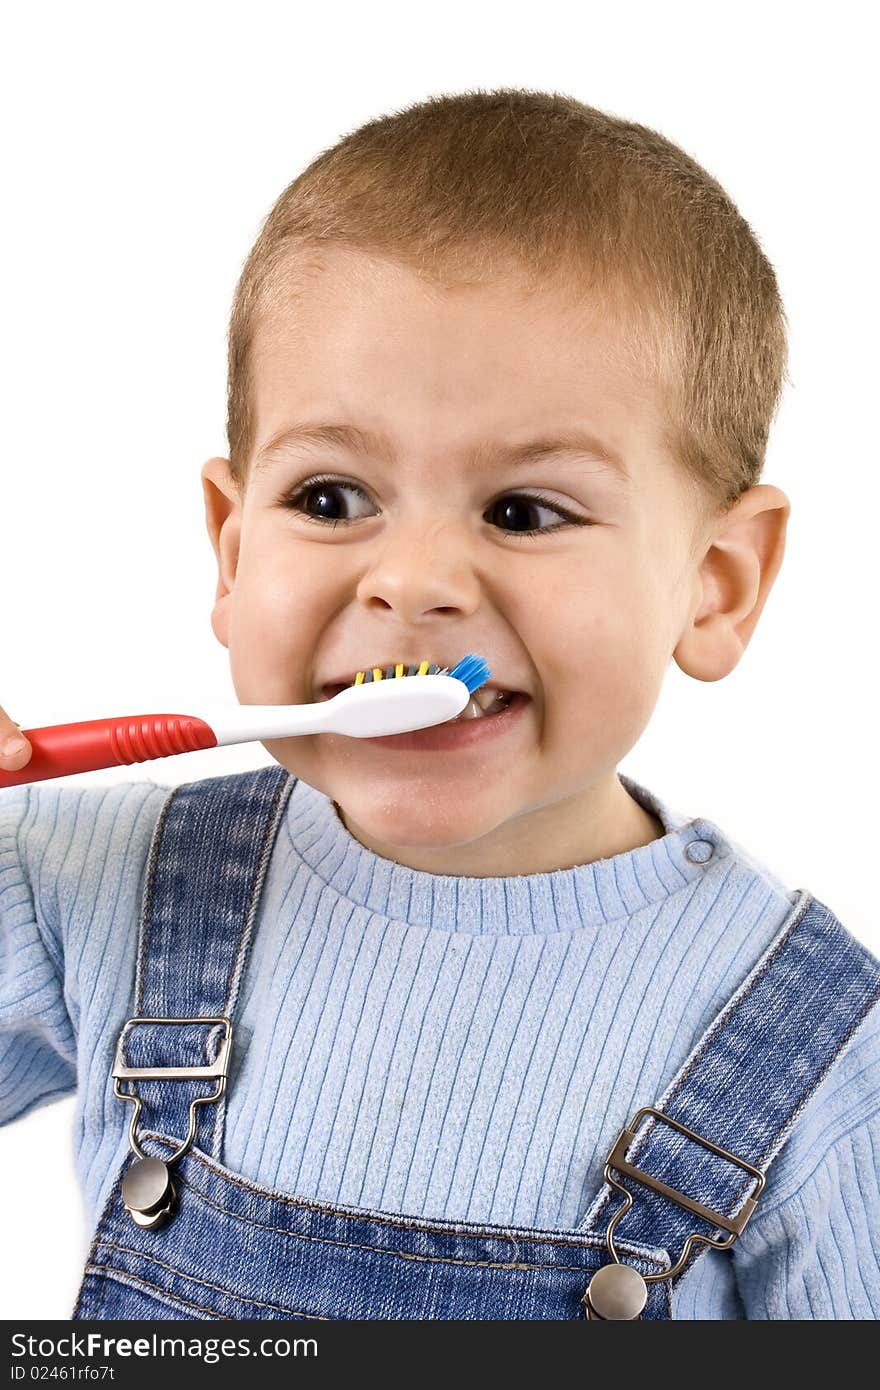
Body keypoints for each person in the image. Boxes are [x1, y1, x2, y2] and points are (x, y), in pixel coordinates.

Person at [1, 88, 878, 1321]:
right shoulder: (86, 892)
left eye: (523, 510)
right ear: (230, 547)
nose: (409, 580)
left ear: (716, 586)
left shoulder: (822, 1052)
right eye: (329, 497)